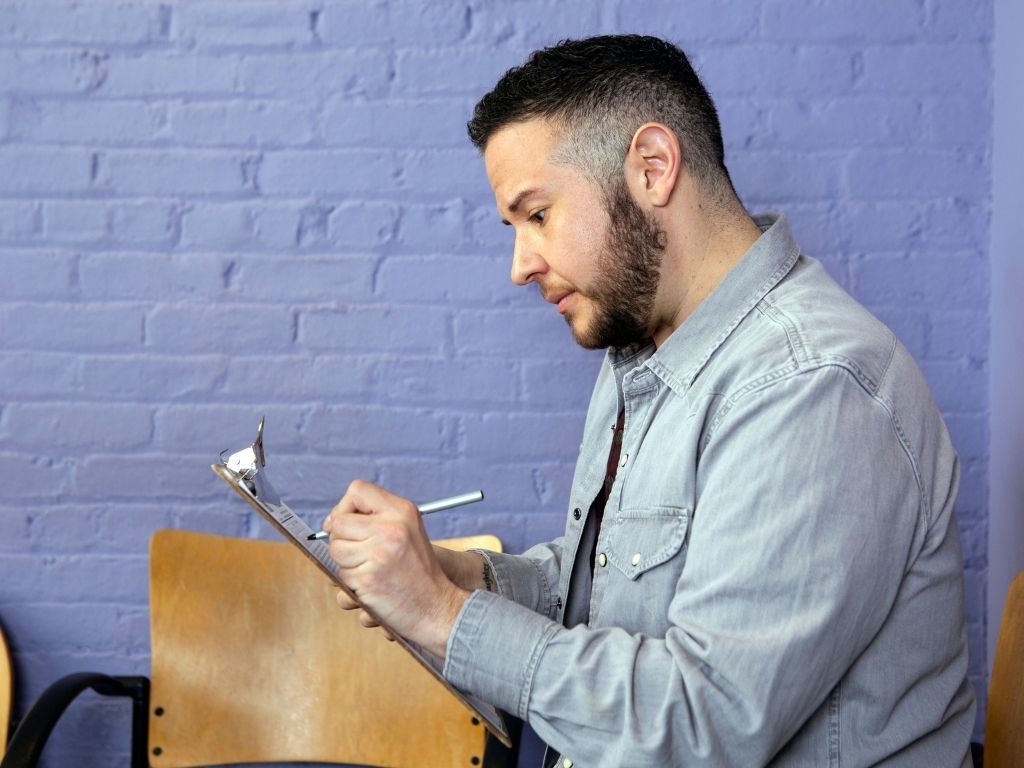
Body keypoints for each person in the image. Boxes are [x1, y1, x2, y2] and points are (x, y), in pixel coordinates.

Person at [322, 35, 976, 766]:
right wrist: (458, 577)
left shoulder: (811, 386)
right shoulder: (643, 343)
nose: (519, 265)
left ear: (653, 168)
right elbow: (609, 583)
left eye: (537, 215)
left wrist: (444, 618)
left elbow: (705, 727)